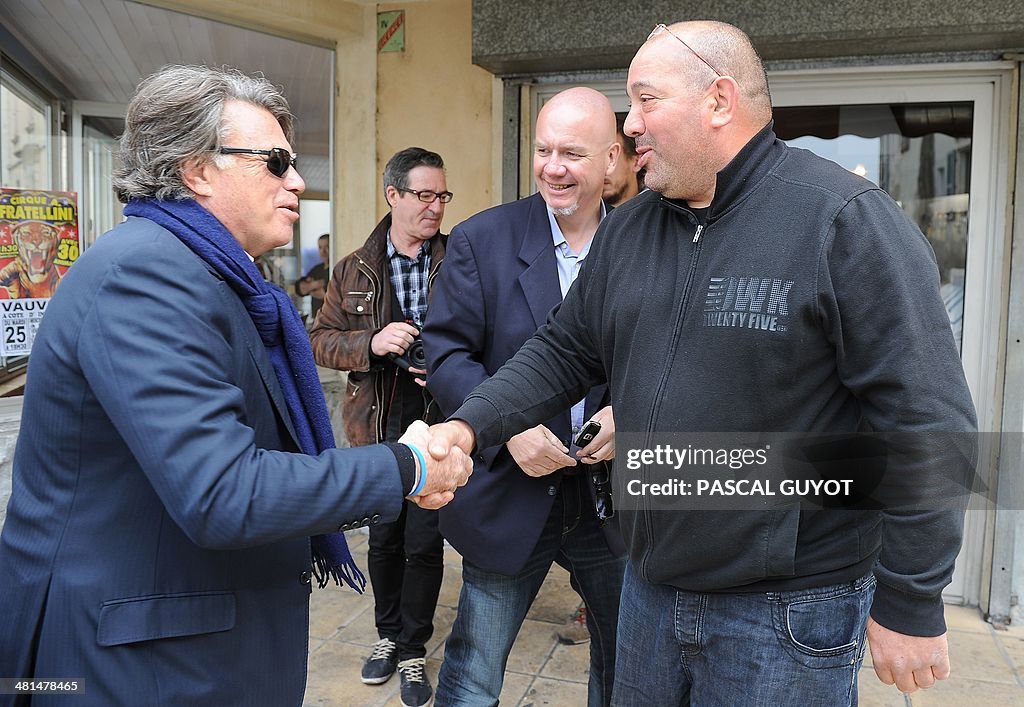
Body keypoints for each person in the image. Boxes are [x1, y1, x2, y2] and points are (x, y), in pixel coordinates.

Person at [424, 21, 977, 706]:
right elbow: (563, 349)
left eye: (646, 100)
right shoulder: (632, 226)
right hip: (650, 587)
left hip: (786, 612)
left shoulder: (843, 221)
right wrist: (471, 425)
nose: (630, 126)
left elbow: (927, 417)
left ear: (718, 100)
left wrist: (912, 596)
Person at [0, 65, 471, 707]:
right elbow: (223, 490)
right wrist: (405, 466)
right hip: (135, 664)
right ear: (196, 170)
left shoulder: (213, 277)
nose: (298, 181)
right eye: (276, 162)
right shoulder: (145, 278)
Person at [422, 87, 626, 707]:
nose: (553, 166)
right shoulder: (481, 239)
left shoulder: (647, 240)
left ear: (612, 160)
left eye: (572, 152)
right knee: (475, 667)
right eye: (543, 150)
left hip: (612, 499)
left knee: (625, 667)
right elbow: (445, 354)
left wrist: (632, 415)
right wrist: (507, 428)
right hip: (510, 488)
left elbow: (672, 356)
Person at [309, 147, 451, 707]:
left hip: (439, 418)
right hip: (377, 419)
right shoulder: (353, 268)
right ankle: (387, 637)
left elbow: (485, 334)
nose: (435, 207)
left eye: (442, 196)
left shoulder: (463, 257)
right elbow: (320, 340)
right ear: (393, 196)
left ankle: (414, 650)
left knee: (425, 540)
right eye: (424, 195)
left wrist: (439, 360)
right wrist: (371, 342)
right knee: (384, 538)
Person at [601, 113, 645, 207]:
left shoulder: (658, 213)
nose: (603, 168)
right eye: (598, 158)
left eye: (611, 156)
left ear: (636, 162)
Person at [295, 232, 331, 319]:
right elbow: (300, 289)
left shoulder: (336, 268)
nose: (323, 251)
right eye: (320, 248)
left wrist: (325, 296)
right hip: (318, 318)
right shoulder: (316, 270)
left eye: (327, 247)